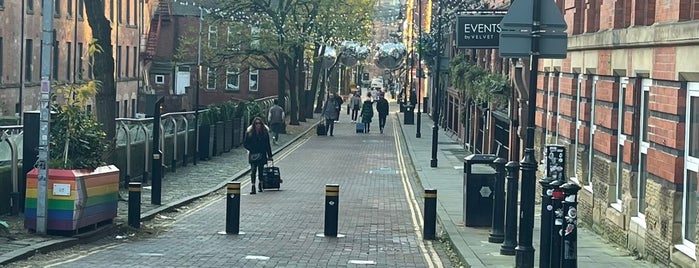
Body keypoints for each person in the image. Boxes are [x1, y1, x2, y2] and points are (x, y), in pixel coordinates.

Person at [243, 117, 273, 194]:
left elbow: (267, 145)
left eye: (259, 123)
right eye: (256, 123)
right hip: (253, 154)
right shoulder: (249, 133)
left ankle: (260, 183)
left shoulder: (265, 133)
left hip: (262, 154)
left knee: (261, 170)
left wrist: (270, 155)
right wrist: (251, 149)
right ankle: (253, 186)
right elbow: (245, 144)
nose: (258, 125)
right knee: (253, 171)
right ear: (254, 124)